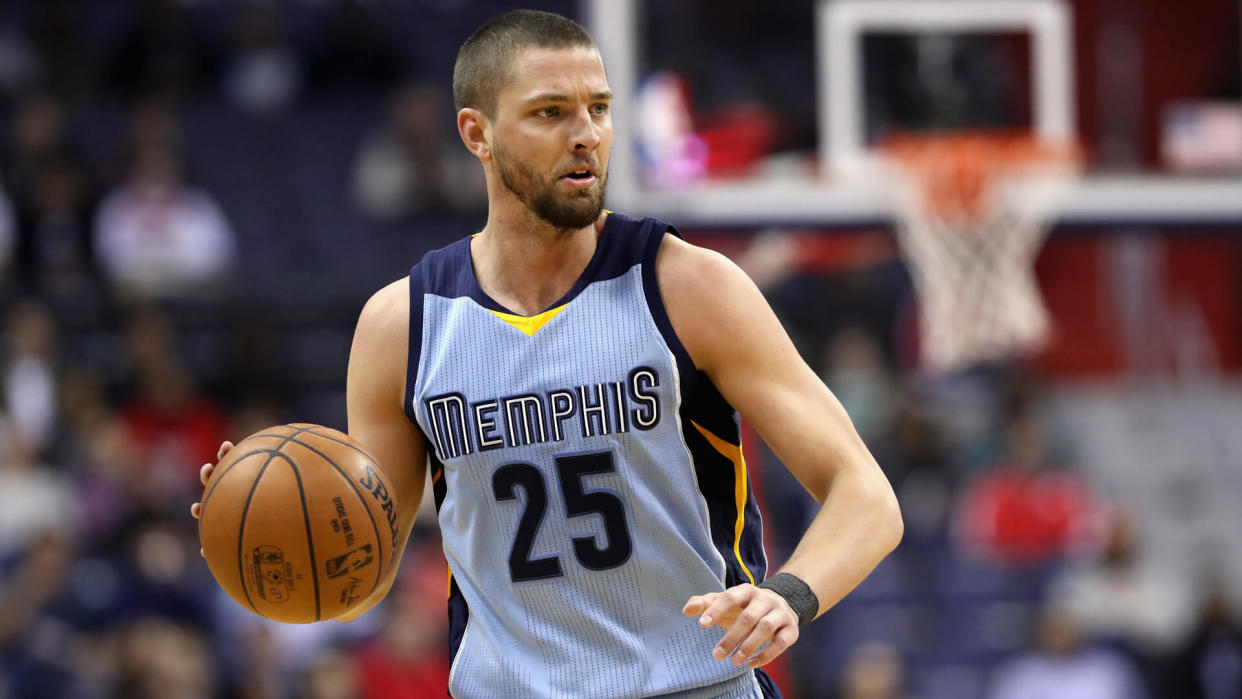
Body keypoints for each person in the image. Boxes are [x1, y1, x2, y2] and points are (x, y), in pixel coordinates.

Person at [191, 10, 902, 698]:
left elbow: (865, 495)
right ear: (478, 133)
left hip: (695, 687)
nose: (586, 134)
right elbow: (358, 584)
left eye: (598, 108)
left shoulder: (690, 287)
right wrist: (270, 529)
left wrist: (789, 595)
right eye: (550, 112)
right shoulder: (401, 325)